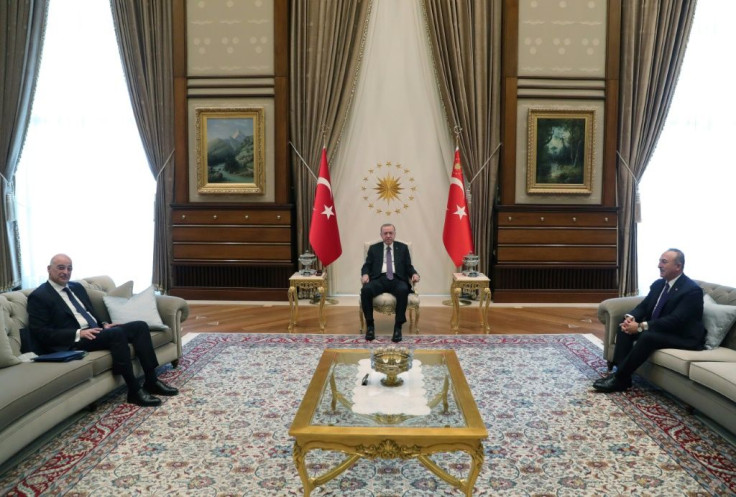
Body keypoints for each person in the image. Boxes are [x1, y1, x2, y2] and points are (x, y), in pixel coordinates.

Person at [27, 254, 179, 407]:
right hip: (73, 340)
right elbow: (41, 333)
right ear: (49, 269)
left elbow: (88, 313)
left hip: (95, 332)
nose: (66, 272)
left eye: (69, 268)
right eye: (61, 268)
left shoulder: (76, 287)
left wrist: (104, 324)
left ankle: (152, 381)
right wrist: (79, 333)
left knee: (140, 326)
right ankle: (134, 390)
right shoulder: (39, 296)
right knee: (116, 334)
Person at [594, 248, 705, 393]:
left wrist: (640, 326)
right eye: (659, 261)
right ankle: (623, 379)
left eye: (664, 262)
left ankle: (619, 377)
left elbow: (676, 321)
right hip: (661, 329)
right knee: (624, 327)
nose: (659, 265)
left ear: (678, 266)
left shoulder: (691, 290)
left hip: (682, 336)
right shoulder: (659, 284)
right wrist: (630, 318)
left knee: (648, 336)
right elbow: (644, 306)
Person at [360, 224, 420, 343]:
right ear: (381, 235)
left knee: (403, 290)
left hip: (397, 279)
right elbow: (367, 266)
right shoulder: (374, 248)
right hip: (379, 278)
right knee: (365, 290)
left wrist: (414, 274)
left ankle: (398, 327)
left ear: (394, 234)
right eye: (385, 233)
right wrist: (365, 274)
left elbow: (408, 266)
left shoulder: (402, 248)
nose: (388, 236)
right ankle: (370, 326)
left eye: (390, 233)